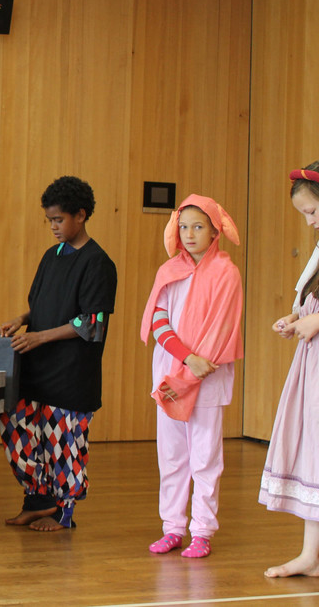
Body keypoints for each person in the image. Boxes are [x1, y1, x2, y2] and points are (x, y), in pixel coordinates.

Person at [0, 175, 117, 532]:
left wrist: (40, 337)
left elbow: (91, 323)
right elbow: (44, 306)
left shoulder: (98, 263)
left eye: (58, 219)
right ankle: (38, 501)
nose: (53, 226)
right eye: (49, 219)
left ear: (80, 215)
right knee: (16, 428)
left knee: (63, 444)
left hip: (71, 374)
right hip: (37, 368)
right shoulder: (52, 256)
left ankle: (63, 512)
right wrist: (22, 320)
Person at [140, 195, 243, 559]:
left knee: (205, 457)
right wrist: (187, 361)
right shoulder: (169, 271)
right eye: (183, 227)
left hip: (207, 378)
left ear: (215, 231)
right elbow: (158, 321)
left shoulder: (227, 273)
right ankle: (172, 528)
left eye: (198, 227)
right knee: (171, 456)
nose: (189, 234)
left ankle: (202, 531)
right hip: (171, 376)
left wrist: (198, 367)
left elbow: (222, 328)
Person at [259, 163, 319, 578]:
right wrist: (295, 318)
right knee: (313, 452)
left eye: (313, 211)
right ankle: (311, 555)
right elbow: (308, 301)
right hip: (312, 365)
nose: (310, 222)